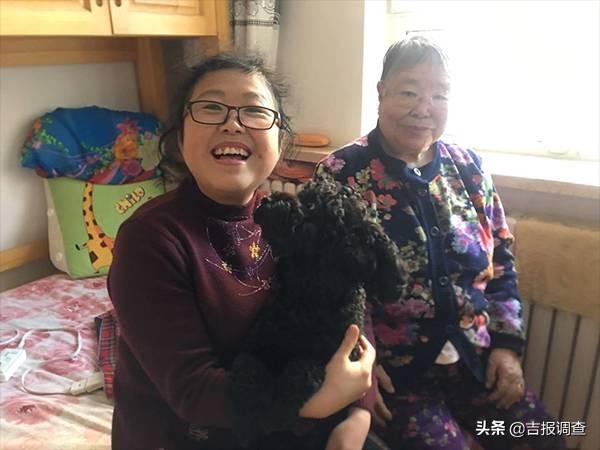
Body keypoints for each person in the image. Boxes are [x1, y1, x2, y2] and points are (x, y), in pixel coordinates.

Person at [108, 54, 377, 450]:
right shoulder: (150, 239)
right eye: (211, 107)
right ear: (180, 139)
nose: (232, 123)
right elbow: (193, 390)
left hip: (288, 428)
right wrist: (314, 404)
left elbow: (348, 304)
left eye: (254, 110)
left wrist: (358, 411)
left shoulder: (293, 220)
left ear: (280, 141)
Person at [317, 36, 566, 450]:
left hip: (478, 362)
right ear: (381, 93)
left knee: (549, 437)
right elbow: (331, 283)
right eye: (409, 92)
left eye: (440, 95)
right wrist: (362, 366)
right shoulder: (342, 172)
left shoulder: (469, 168)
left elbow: (501, 260)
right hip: (398, 375)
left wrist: (507, 348)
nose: (424, 108)